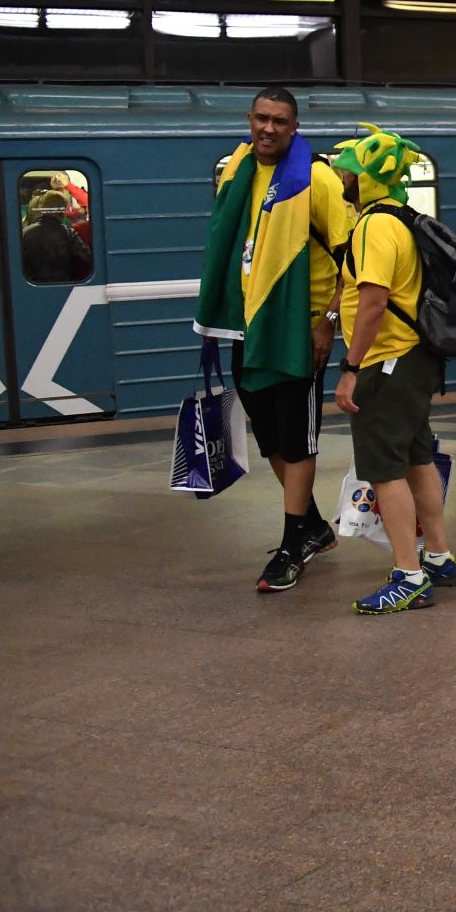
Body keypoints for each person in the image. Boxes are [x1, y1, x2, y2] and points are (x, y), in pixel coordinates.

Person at [195, 86, 353, 593]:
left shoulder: (318, 180)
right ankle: (311, 526)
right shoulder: (237, 170)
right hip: (251, 325)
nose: (268, 128)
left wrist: (328, 320)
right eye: (261, 118)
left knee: (296, 436)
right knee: (269, 436)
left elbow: (354, 259)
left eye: (280, 121)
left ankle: (292, 543)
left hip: (298, 327)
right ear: (250, 119)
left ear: (295, 127)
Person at [331, 126, 456, 615]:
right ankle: (439, 557)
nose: (341, 174)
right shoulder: (403, 218)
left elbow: (373, 302)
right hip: (413, 358)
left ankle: (409, 576)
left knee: (385, 470)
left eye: (347, 167)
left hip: (387, 361)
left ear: (365, 175)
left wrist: (350, 368)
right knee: (416, 458)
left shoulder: (373, 226)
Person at [19, 190, 92, 285]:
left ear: (41, 208)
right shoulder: (67, 232)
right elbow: (87, 257)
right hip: (63, 284)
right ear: (63, 211)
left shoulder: (25, 232)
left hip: (33, 284)